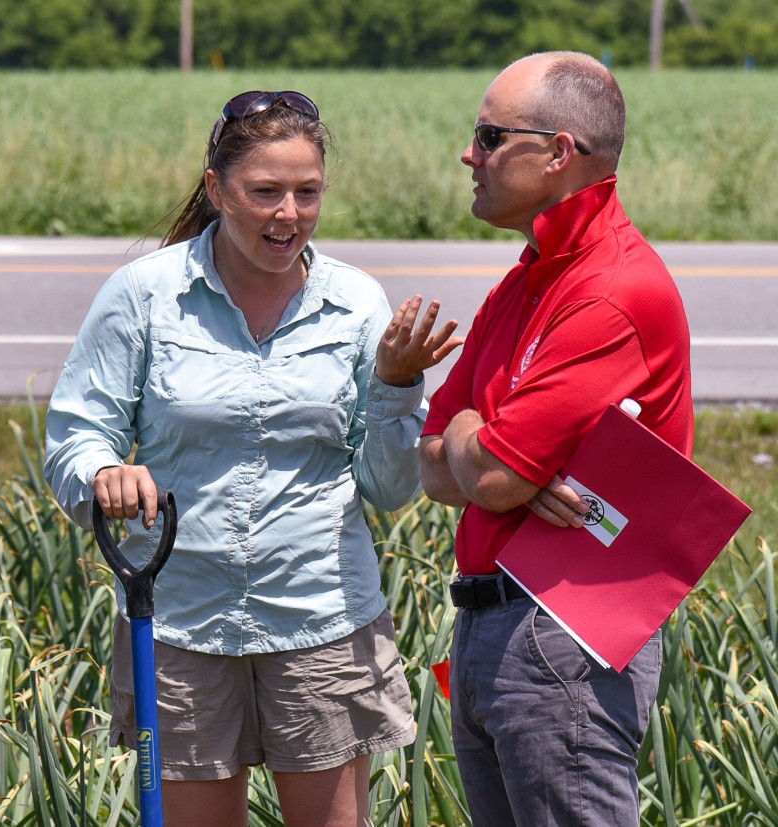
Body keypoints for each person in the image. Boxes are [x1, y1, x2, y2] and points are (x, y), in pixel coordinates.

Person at [44, 90, 461, 827]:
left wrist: (397, 386)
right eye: (265, 191)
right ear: (216, 189)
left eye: (308, 192)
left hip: (322, 616)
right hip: (179, 619)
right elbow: (76, 439)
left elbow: (389, 489)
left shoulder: (357, 304)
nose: (289, 214)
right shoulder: (146, 294)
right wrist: (103, 474)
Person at [419, 52, 693, 826]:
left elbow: (491, 474)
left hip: (558, 634)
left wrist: (476, 438)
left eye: (490, 135)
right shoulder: (530, 277)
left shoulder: (610, 291)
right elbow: (432, 459)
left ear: (558, 153)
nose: (469, 154)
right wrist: (480, 451)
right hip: (490, 628)